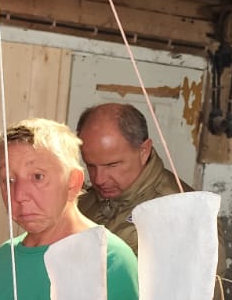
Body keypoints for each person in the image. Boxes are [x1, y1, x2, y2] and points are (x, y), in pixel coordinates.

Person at [0, 118, 139, 300]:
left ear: (73, 183)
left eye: (38, 177)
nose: (19, 196)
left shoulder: (109, 260)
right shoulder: (3, 257)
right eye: (8, 179)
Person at [76, 103, 192, 253]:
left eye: (112, 165)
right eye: (90, 166)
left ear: (143, 151)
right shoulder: (82, 201)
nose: (99, 179)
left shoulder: (182, 213)